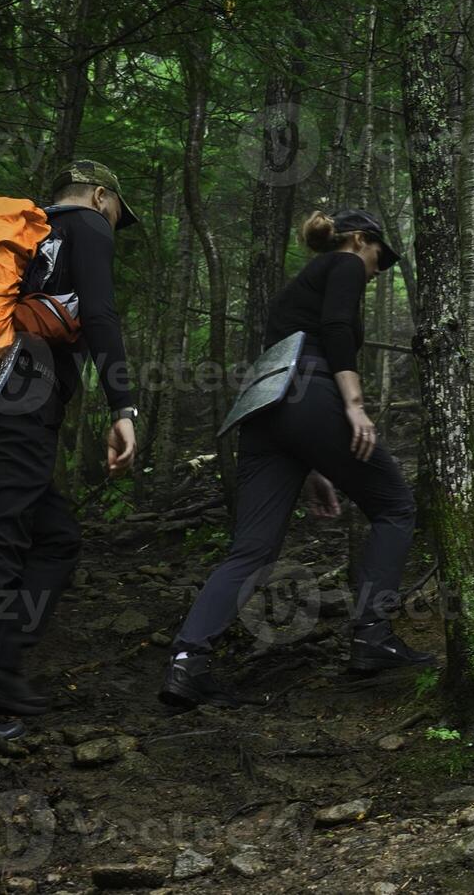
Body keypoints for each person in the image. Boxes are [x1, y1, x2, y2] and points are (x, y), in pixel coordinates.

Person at [160, 209, 429, 710]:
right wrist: (353, 404)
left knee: (251, 551)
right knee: (396, 507)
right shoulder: (345, 264)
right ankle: (372, 635)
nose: (376, 270)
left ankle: (187, 662)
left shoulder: (300, 285)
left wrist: (315, 466)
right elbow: (334, 330)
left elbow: (286, 371)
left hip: (264, 409)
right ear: (358, 240)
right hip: (311, 391)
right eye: (378, 257)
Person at [0, 160, 141, 742]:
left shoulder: (28, 235)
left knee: (54, 536)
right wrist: (124, 407)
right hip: (21, 390)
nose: (114, 226)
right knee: (0, 542)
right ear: (99, 196)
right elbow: (100, 315)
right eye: (117, 213)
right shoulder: (87, 227)